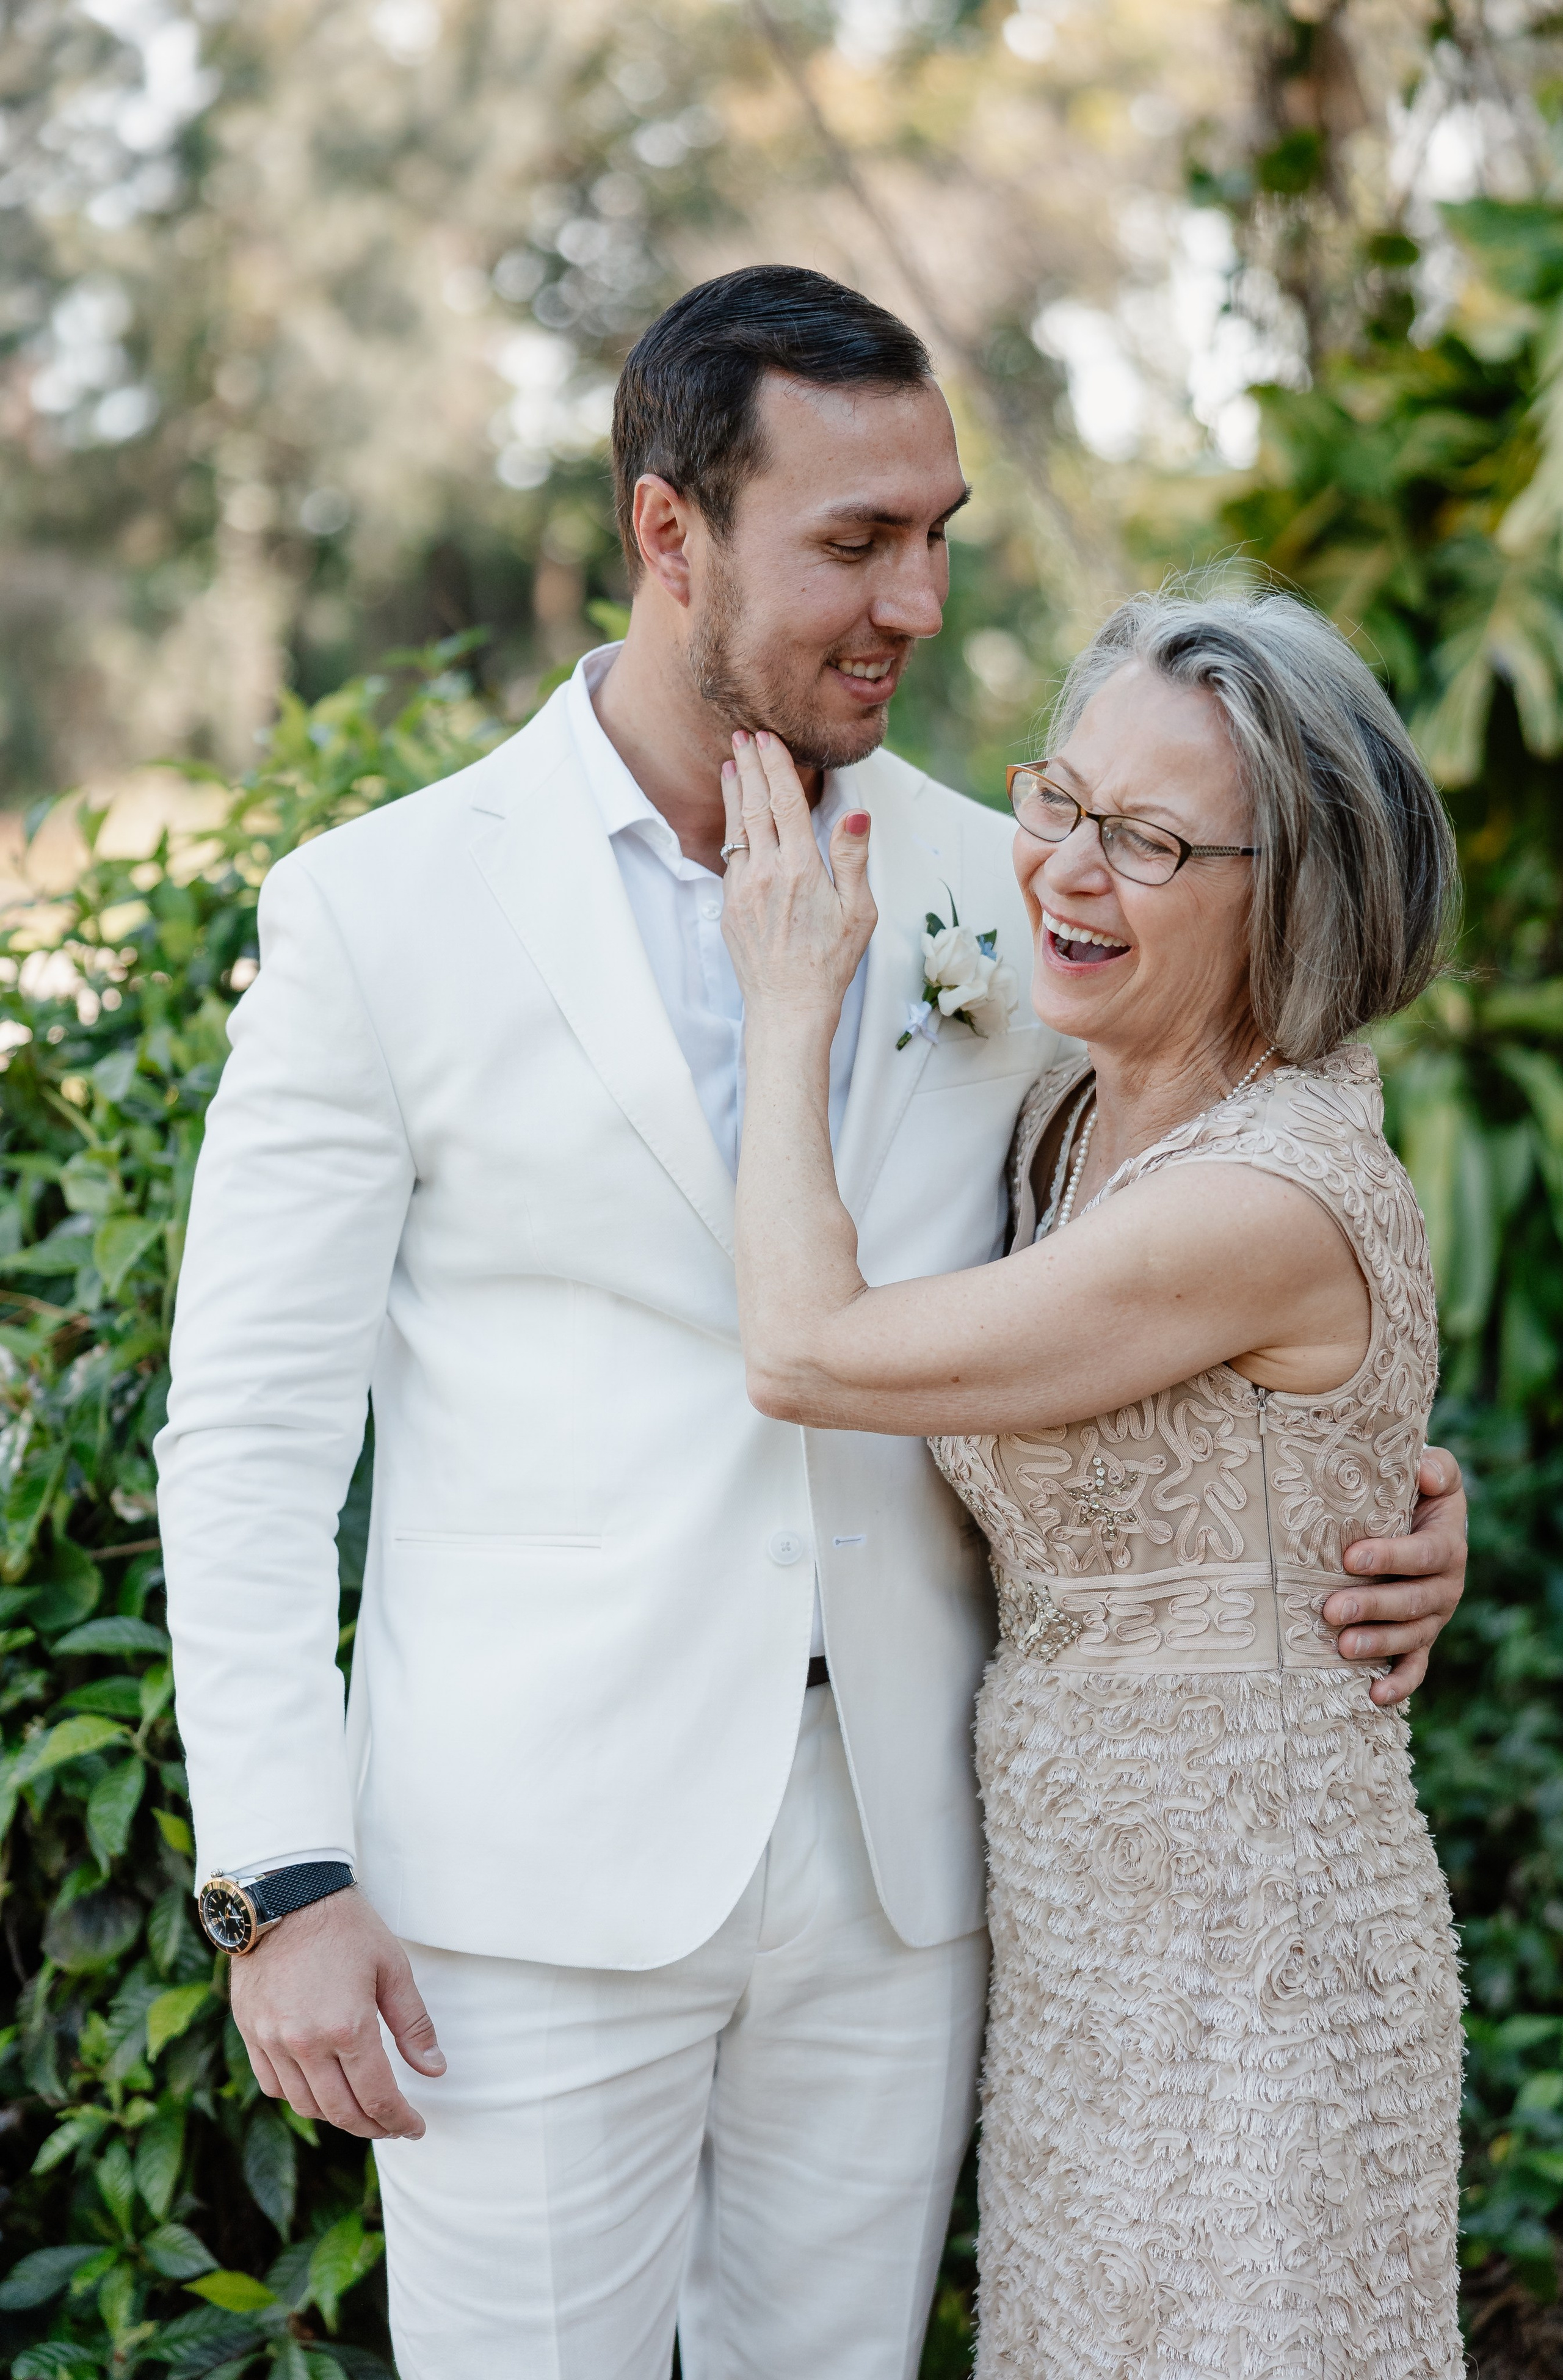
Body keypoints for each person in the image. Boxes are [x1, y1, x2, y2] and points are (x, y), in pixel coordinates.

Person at [156, 272, 1468, 2379]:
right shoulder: (382, 909)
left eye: (937, 534)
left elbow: (1209, 1227)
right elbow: (244, 1431)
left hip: (911, 1869)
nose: (921, 601)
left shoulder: (1013, 885)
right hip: (524, 1889)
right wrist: (279, 1877)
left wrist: (1390, 1485)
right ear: (671, 532)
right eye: (854, 543)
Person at [719, 583, 1467, 2378]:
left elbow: (808, 1349)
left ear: (1290, 889)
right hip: (1078, 1937)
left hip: (1260, 1947)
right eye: (1061, 799)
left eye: (1147, 839)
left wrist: (784, 1001)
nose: (1065, 869)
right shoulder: (1068, 1105)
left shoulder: (1262, 1196)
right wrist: (1400, 1489)